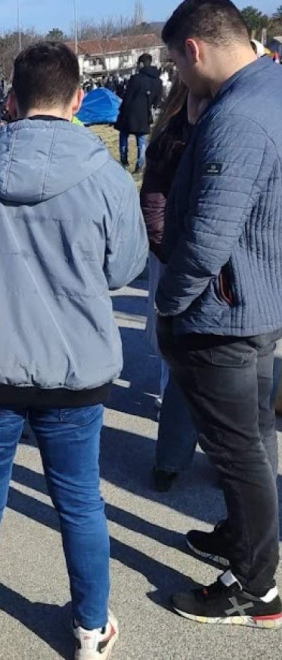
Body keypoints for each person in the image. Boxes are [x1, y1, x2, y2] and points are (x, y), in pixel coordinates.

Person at [0, 42, 146, 659]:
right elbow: (124, 268)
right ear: (76, 100)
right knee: (79, 500)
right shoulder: (107, 176)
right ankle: (92, 628)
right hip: (74, 367)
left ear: (9, 99)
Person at [156, 0, 282, 628]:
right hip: (256, 300)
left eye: (176, 63)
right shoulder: (272, 88)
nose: (178, 77)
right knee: (254, 438)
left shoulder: (238, 115)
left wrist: (168, 300)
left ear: (195, 50)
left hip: (222, 315)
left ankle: (255, 586)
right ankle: (245, 538)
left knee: (237, 450)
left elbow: (208, 236)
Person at [139, 80, 204, 492]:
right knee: (179, 358)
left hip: (223, 267)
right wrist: (168, 252)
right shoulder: (173, 137)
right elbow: (154, 201)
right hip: (181, 258)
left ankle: (233, 463)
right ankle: (171, 458)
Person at [114, 53, 164, 173]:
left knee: (124, 136)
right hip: (145, 114)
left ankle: (124, 161)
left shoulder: (135, 78)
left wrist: (121, 111)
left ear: (140, 64)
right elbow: (158, 100)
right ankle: (140, 164)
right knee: (141, 141)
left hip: (129, 113)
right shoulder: (158, 81)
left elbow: (128, 97)